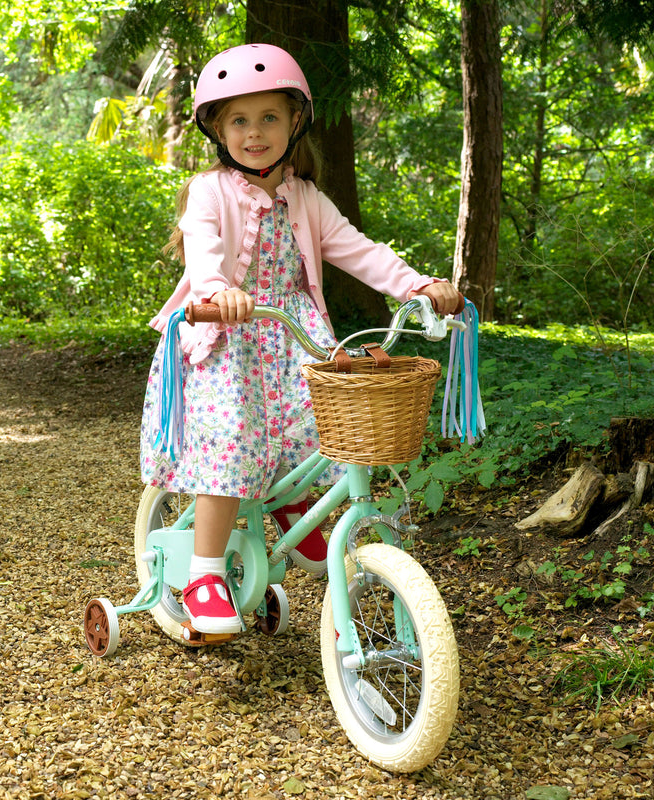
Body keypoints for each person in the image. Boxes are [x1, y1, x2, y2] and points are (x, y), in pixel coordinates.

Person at [140, 43, 461, 635]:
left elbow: (357, 250)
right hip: (224, 337)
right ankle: (205, 572)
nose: (254, 132)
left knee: (317, 426)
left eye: (269, 118)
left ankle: (292, 500)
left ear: (295, 124)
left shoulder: (305, 197)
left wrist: (418, 285)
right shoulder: (209, 191)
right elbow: (204, 248)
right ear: (217, 127)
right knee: (232, 441)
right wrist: (218, 292)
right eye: (239, 119)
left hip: (291, 336)